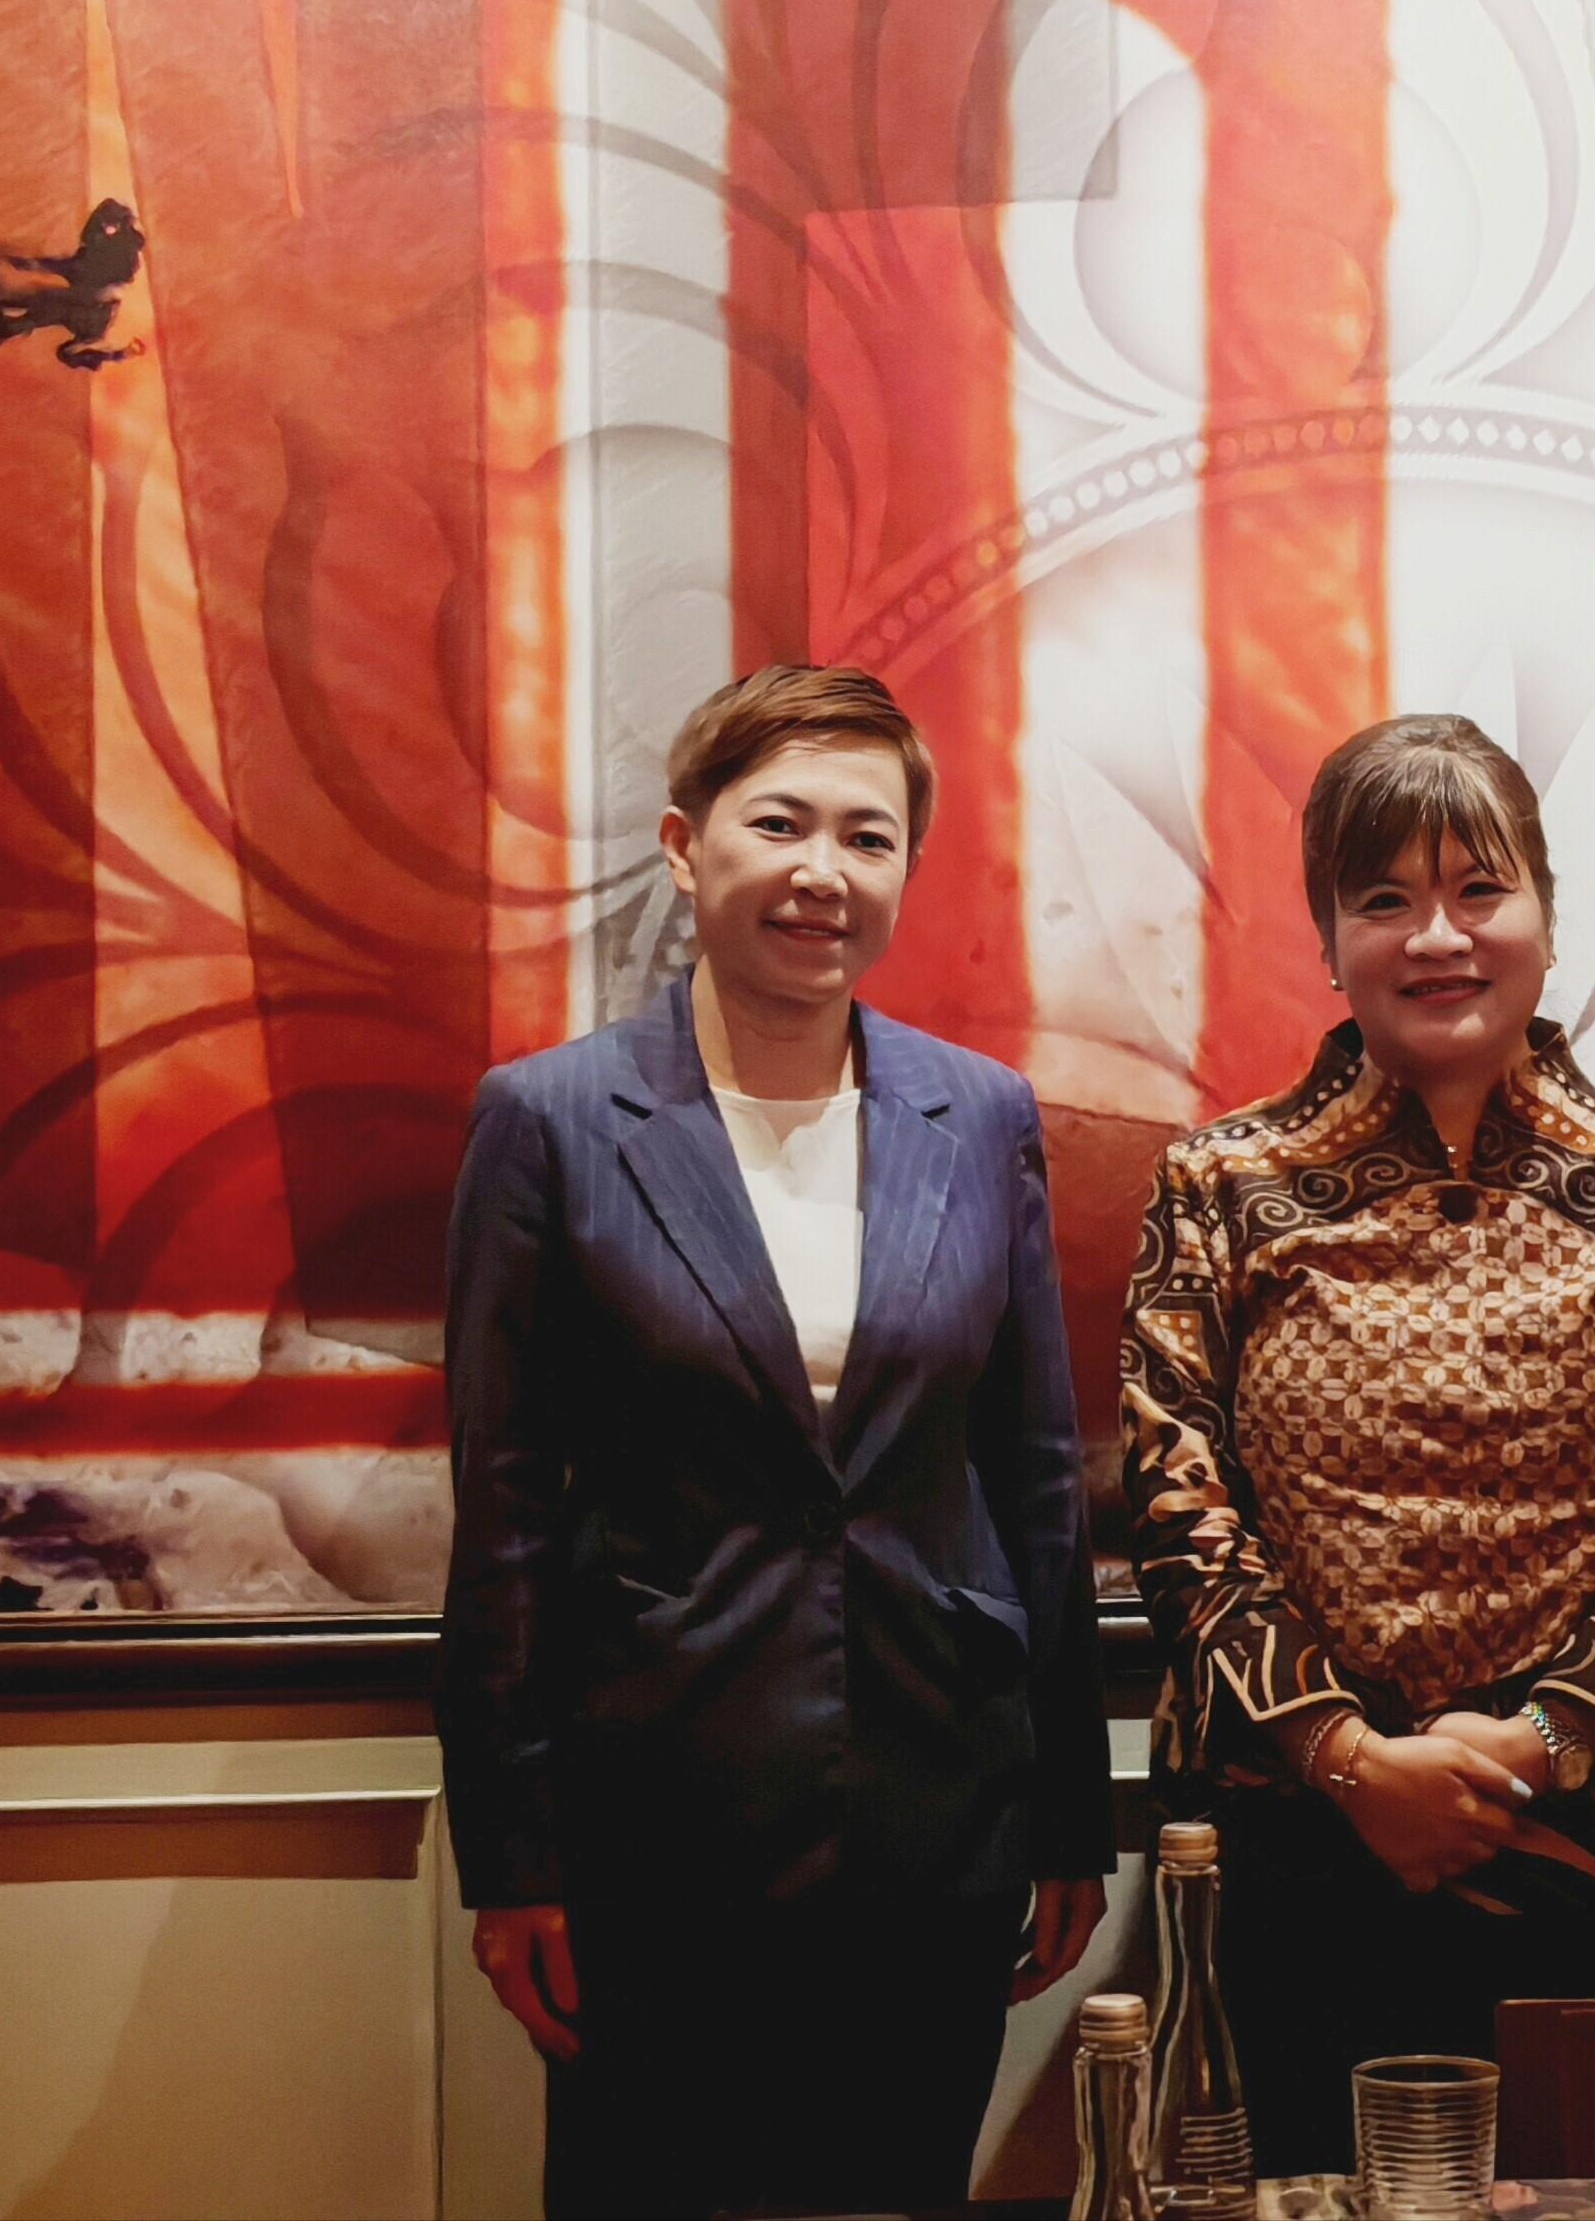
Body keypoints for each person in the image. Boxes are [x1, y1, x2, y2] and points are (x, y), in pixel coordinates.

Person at [436, 663, 1115, 2219]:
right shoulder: (548, 1120)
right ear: (687, 845)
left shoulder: (983, 1113)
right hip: (652, 1829)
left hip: (939, 1817)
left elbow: (1033, 1477)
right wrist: (513, 1857)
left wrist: (1070, 1810)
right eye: (780, 824)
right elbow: (508, 1511)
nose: (823, 873)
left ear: (902, 873)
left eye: (867, 839)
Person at [1123, 714, 1595, 2175]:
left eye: (1479, 889)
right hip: (1285, 1844)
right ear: (1330, 938)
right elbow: (1177, 1507)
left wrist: (1537, 1746)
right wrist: (1351, 1760)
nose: (1438, 937)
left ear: (1544, 913)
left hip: (1585, 1837)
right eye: (1384, 901)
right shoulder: (1223, 1184)